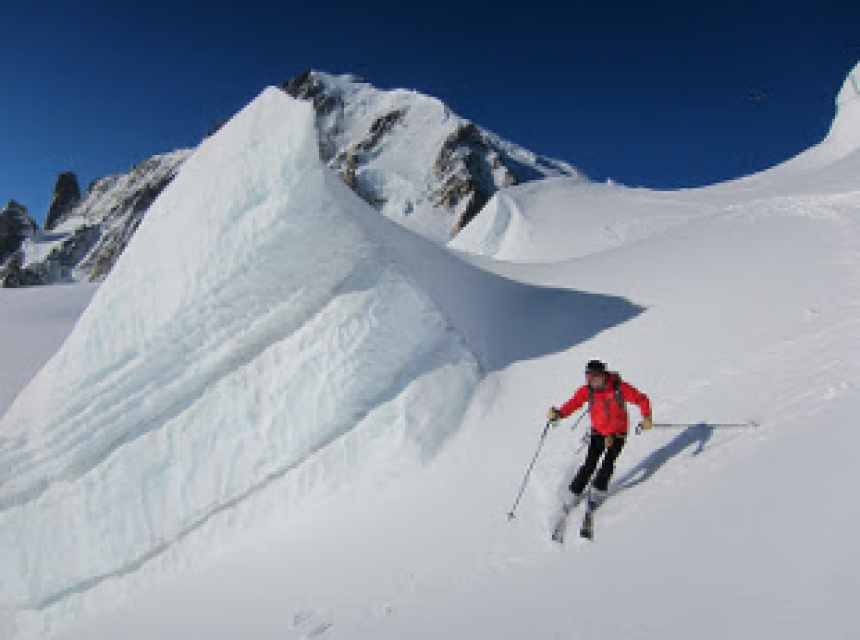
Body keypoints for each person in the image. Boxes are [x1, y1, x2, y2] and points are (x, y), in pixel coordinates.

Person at [548, 359, 653, 511]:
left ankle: (597, 493)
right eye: (589, 378)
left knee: (607, 464)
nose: (593, 382)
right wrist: (559, 413)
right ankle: (573, 494)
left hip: (618, 434)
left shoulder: (618, 388)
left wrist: (647, 417)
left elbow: (641, 399)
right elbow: (574, 403)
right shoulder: (587, 391)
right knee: (589, 465)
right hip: (598, 433)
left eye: (596, 378)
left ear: (604, 375)